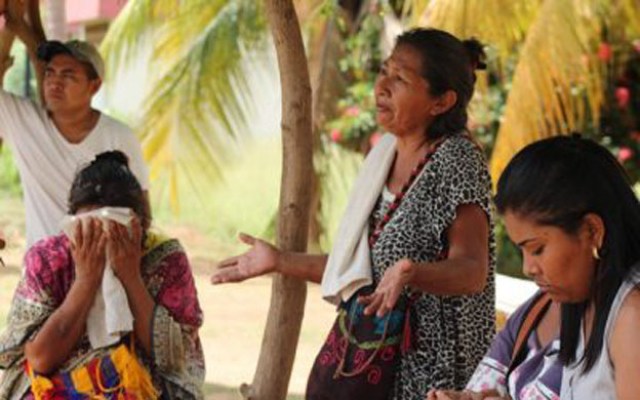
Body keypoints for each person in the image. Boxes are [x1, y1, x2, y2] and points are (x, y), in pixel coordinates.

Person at [212, 28, 496, 398]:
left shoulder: (457, 159)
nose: (382, 87)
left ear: (441, 101)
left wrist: (412, 273)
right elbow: (362, 269)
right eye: (384, 71)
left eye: (400, 78)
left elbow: (473, 272)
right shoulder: (383, 156)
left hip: (435, 376)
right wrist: (279, 261)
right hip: (377, 364)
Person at [0, 151, 204, 399]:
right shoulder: (49, 259)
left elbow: (175, 359)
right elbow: (41, 359)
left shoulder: (165, 259)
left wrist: (130, 277)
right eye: (90, 228)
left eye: (116, 228)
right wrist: (86, 280)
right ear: (73, 222)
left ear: (140, 225)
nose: (103, 239)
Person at [493, 135, 640, 399]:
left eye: (537, 249)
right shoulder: (586, 300)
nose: (528, 268)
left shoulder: (632, 316)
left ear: (592, 231)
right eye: (521, 250)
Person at [0, 4, 150, 247]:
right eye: (50, 73)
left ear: (94, 86)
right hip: (42, 276)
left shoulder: (118, 136)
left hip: (103, 277)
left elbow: (142, 214)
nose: (55, 83)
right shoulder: (23, 122)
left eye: (68, 76)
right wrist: (14, 26)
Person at [426, 292, 562, 400]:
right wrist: (476, 396)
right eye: (524, 255)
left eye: (538, 254)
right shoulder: (533, 310)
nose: (528, 269)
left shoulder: (581, 345)